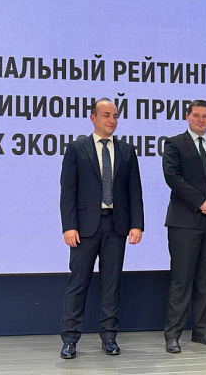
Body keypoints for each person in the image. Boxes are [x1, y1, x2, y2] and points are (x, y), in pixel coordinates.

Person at [59, 98, 144, 359]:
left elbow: (134, 191)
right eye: (106, 115)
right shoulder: (77, 148)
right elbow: (68, 191)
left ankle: (109, 336)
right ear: (93, 118)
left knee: (111, 284)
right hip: (84, 228)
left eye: (115, 115)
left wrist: (137, 224)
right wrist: (69, 226)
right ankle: (70, 338)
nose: (112, 120)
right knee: (78, 283)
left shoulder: (127, 151)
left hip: (116, 226)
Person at [162, 100, 206, 354]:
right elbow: (173, 177)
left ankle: (201, 331)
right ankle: (173, 335)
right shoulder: (174, 144)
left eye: (205, 116)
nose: (201, 120)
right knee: (181, 280)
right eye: (197, 116)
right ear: (187, 117)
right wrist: (200, 202)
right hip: (184, 222)